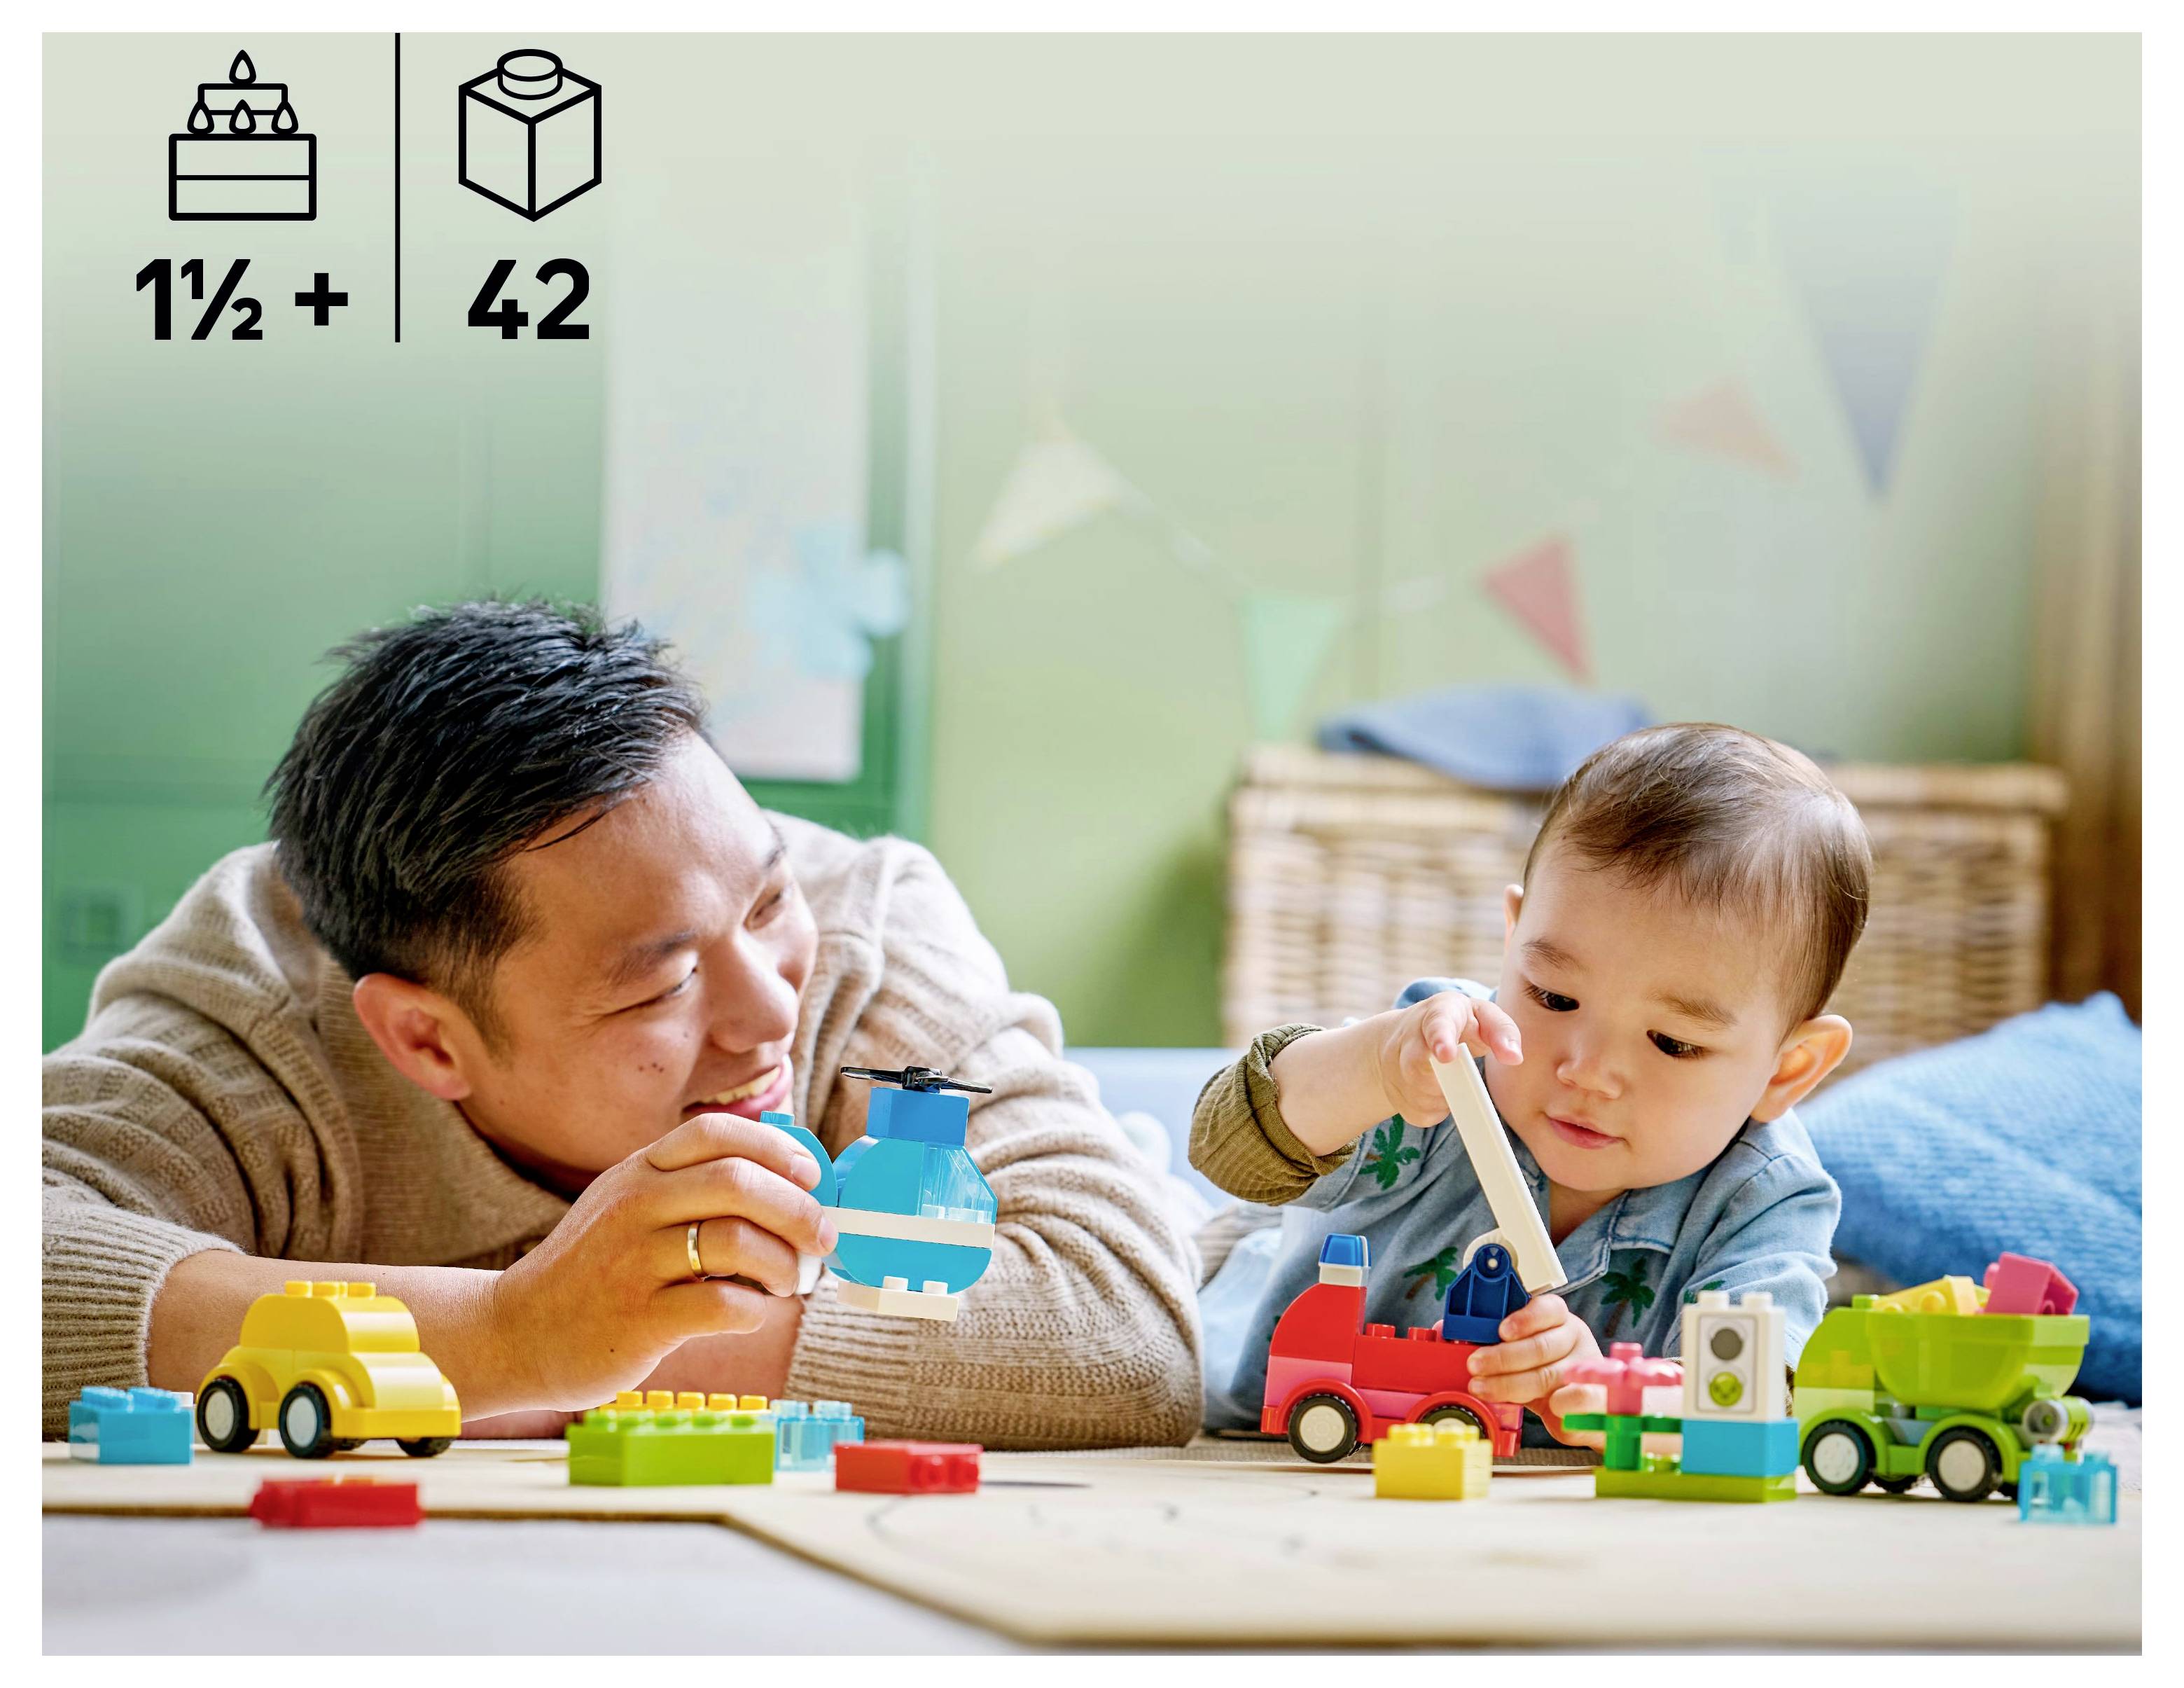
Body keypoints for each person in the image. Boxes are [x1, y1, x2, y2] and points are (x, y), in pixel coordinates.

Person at [42, 600, 1202, 1446]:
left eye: (764, 900)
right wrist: (505, 1337)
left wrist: (566, 1351)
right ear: (426, 1041)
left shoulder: (866, 926)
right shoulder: (257, 996)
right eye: (660, 988)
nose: (770, 1014)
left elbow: (1127, 1330)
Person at [1191, 724, 1865, 1445]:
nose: (1586, 1071)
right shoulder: (1437, 1058)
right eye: (1552, 997)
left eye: (1673, 1042)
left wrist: (1604, 1392)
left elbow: (1755, 1403)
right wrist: (1371, 1067)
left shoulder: (1764, 1201)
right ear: (1512, 939)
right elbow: (1224, 1150)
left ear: (1786, 1067)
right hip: (1288, 1416)